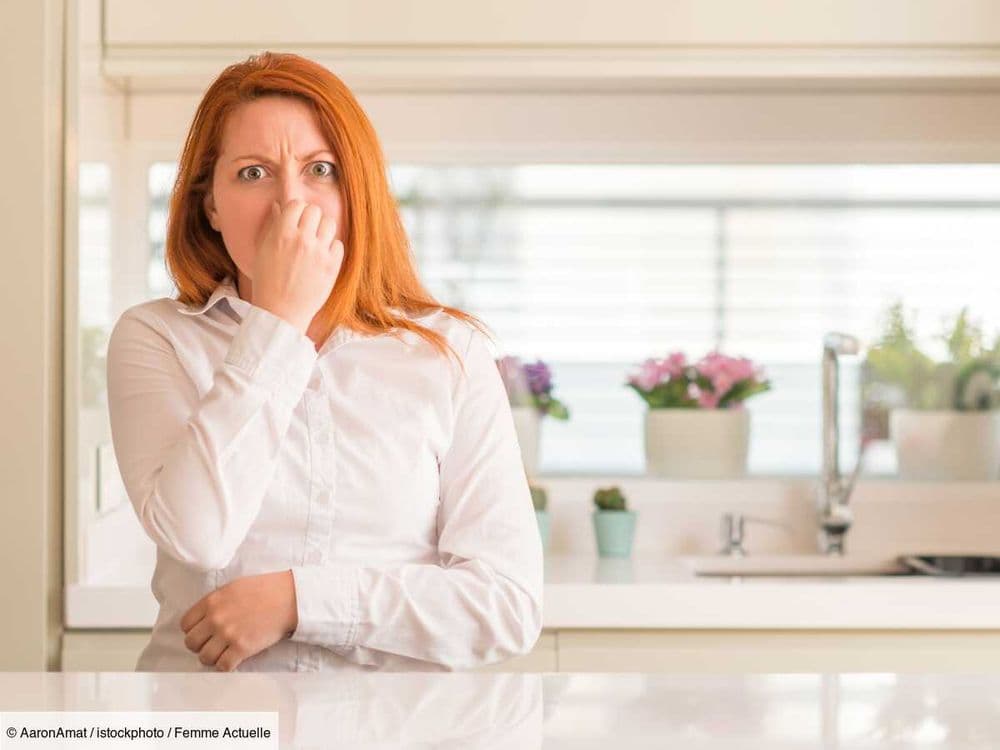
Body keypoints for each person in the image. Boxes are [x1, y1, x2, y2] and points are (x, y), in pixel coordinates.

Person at [106, 51, 543, 672]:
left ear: (355, 190)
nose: (292, 204)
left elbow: (505, 604)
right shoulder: (156, 338)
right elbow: (197, 537)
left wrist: (298, 600)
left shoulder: (449, 353)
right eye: (254, 173)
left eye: (321, 169)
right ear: (209, 206)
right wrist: (277, 322)